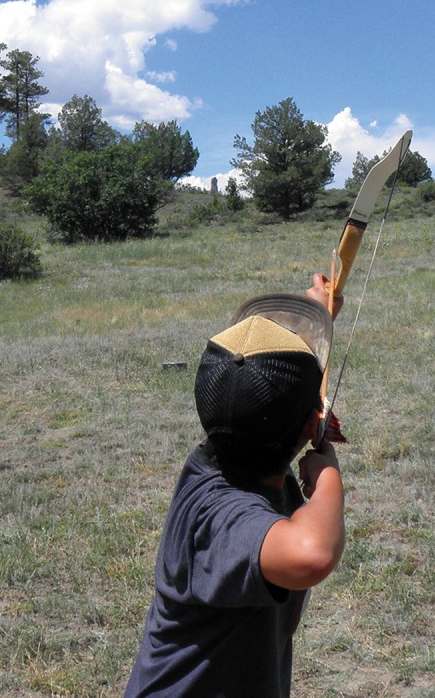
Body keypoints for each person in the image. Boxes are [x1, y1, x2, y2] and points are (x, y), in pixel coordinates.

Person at [123, 274, 345, 698]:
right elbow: (312, 554)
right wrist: (327, 473)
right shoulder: (220, 516)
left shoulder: (224, 450)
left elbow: (276, 390)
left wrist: (320, 313)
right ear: (307, 427)